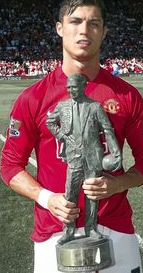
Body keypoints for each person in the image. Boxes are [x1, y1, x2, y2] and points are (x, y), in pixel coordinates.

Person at [0, 0, 143, 273]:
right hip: (54, 233)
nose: (84, 30)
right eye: (75, 21)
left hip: (116, 232)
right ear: (59, 28)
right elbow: (10, 165)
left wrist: (118, 183)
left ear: (104, 31)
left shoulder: (126, 96)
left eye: (93, 23)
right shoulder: (33, 99)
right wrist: (48, 199)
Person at [46, 73, 122, 245]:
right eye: (68, 88)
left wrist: (116, 152)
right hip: (73, 157)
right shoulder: (62, 106)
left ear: (83, 86)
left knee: (92, 195)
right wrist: (62, 136)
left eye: (74, 87)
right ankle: (69, 230)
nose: (71, 90)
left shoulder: (95, 107)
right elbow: (50, 122)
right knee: (70, 193)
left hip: (93, 157)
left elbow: (108, 129)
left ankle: (91, 228)